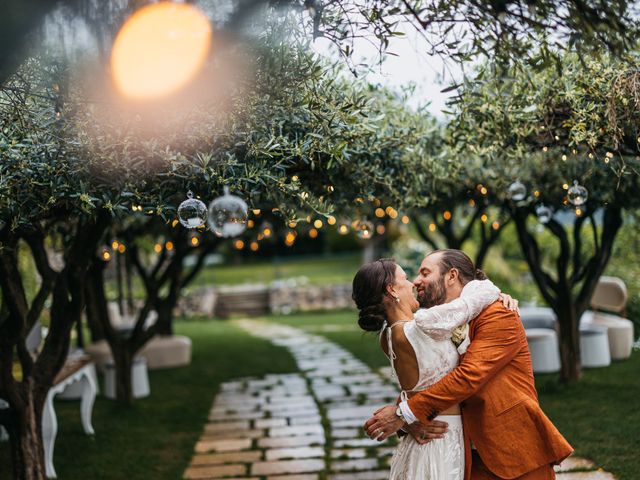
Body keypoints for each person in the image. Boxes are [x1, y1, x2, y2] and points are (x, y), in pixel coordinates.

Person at [362, 250, 573, 480]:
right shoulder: (438, 322)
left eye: (425, 273)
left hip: (512, 449)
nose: (417, 281)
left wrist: (404, 414)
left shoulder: (499, 313)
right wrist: (410, 421)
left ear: (451, 276)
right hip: (463, 457)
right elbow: (430, 376)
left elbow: (468, 376)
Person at [352, 256, 516, 479]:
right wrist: (494, 294)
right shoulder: (417, 329)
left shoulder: (388, 334)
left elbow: (420, 387)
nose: (414, 284)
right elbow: (468, 305)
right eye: (407, 278)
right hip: (441, 439)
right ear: (391, 290)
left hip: (427, 434)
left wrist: (406, 418)